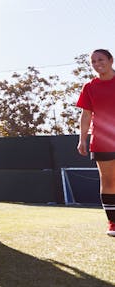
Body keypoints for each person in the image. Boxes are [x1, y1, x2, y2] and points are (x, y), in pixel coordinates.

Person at [76, 49, 115, 237]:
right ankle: (113, 223)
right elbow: (86, 115)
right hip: (102, 140)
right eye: (93, 61)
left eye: (101, 59)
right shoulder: (89, 87)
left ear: (111, 60)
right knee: (108, 180)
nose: (97, 63)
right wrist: (82, 138)